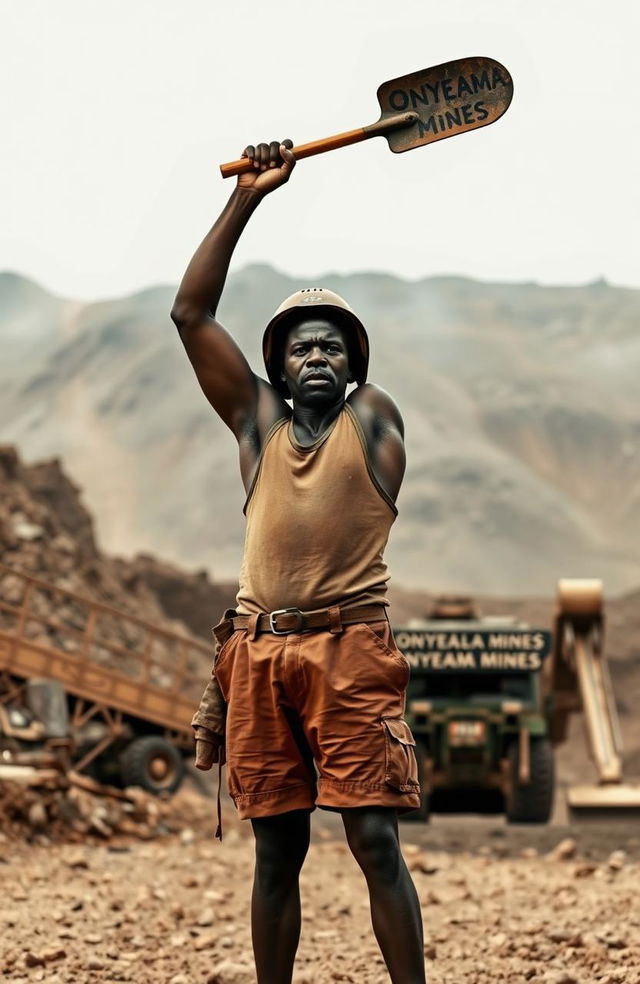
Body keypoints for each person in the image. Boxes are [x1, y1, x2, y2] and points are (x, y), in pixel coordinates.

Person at [171, 138, 426, 984]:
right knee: (275, 851)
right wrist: (248, 197)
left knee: (374, 839)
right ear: (276, 369)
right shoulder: (257, 429)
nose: (317, 355)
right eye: (299, 348)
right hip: (260, 653)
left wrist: (335, 343)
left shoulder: (374, 421)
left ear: (355, 367)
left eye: (333, 347)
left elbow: (352, 383)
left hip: (351, 652)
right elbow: (191, 318)